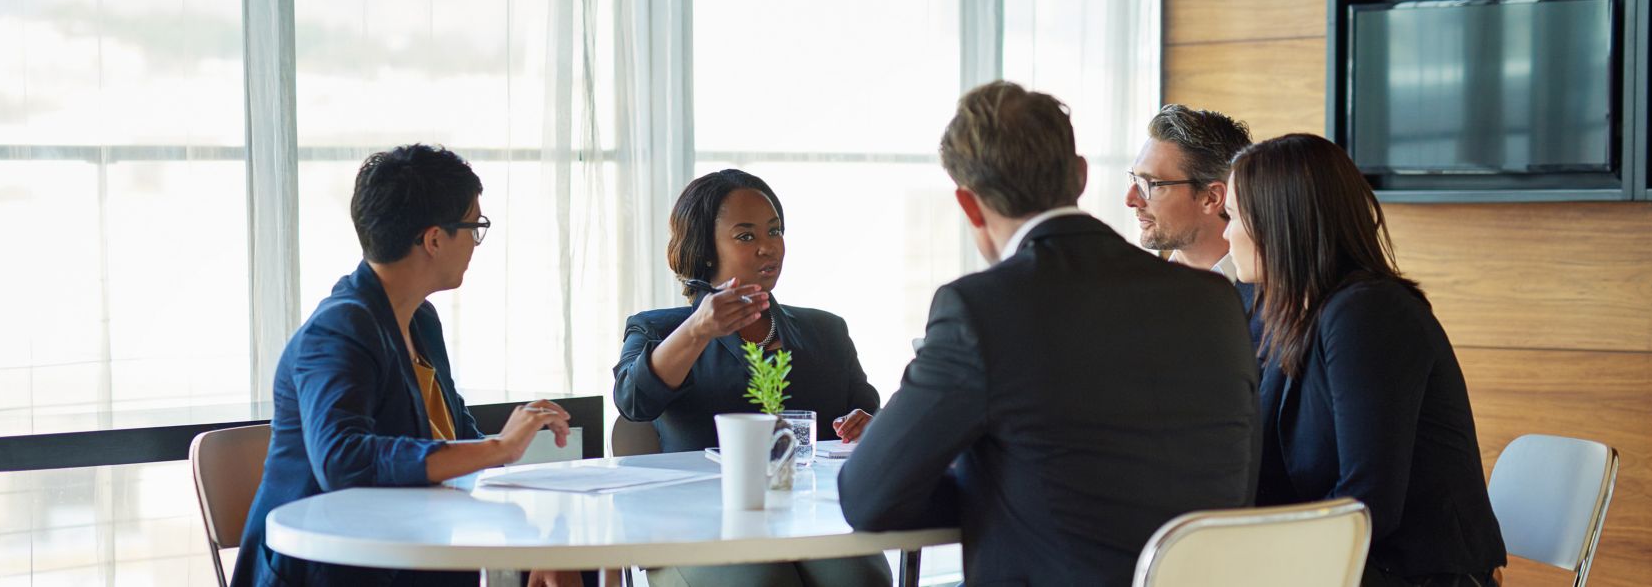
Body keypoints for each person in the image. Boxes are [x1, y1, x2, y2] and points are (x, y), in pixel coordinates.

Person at [839, 81, 1259, 586]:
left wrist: (993, 488)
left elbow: (869, 497)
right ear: (1080, 175)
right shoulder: (1213, 300)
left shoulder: (978, 309)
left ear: (968, 205)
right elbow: (1237, 476)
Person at [231, 144, 581, 587]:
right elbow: (343, 459)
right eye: (474, 227)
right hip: (331, 571)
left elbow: (458, 440)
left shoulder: (420, 320)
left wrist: (539, 533)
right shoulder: (337, 329)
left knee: (571, 565)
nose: (475, 244)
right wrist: (499, 448)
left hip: (410, 554)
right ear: (434, 239)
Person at [1224, 134, 1506, 587]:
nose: (1226, 234)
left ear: (1277, 222)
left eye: (1233, 216)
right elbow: (1262, 474)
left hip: (1413, 575)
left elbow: (1369, 502)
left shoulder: (1367, 313)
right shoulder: (1290, 318)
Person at [613, 168, 888, 587]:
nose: (767, 247)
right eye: (746, 236)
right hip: (698, 527)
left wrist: (866, 426)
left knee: (860, 580)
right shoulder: (657, 329)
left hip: (812, 519)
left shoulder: (826, 331)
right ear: (707, 250)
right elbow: (634, 402)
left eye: (774, 231)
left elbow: (869, 417)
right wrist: (697, 329)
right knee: (762, 582)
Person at [1126, 104, 1253, 280]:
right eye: (1135, 179)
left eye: (1153, 184)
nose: (1130, 199)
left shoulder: (1279, 291)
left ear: (1212, 197)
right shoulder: (1140, 286)